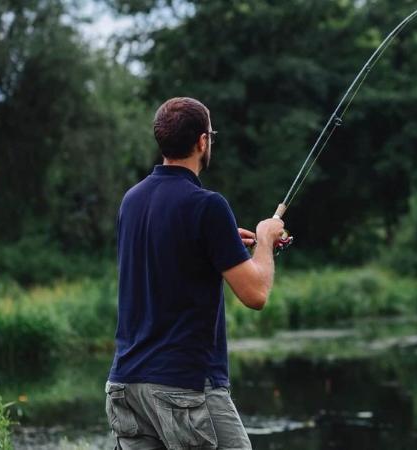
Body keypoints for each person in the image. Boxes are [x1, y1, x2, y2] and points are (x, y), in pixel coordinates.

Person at [104, 97, 284, 449]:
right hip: (184, 385)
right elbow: (256, 294)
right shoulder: (207, 205)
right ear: (203, 141)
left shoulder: (132, 200)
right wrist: (265, 238)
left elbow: (171, 251)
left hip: (126, 386)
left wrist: (219, 242)